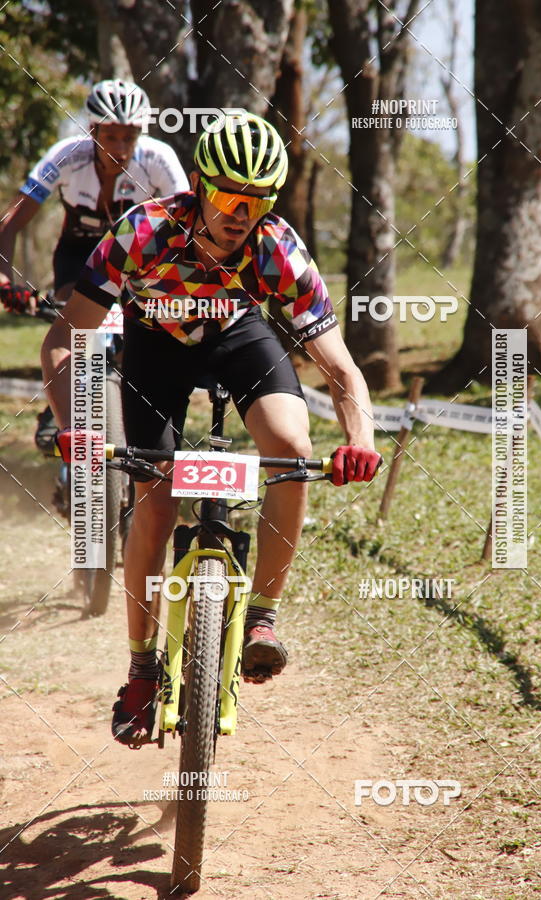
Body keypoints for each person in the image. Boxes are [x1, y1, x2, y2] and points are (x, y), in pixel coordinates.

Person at [41, 112, 382, 747]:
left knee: (290, 449)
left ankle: (262, 617)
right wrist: (73, 428)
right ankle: (142, 669)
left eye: (257, 201)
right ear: (200, 184)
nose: (240, 213)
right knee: (156, 497)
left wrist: (360, 439)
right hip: (156, 344)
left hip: (237, 337)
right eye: (228, 195)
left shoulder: (279, 248)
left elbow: (340, 367)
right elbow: (64, 340)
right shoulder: (142, 231)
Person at [0, 78, 190, 450]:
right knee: (74, 325)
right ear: (93, 130)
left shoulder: (158, 158)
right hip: (79, 257)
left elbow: (187, 229)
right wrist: (6, 283)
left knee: (135, 344)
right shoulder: (67, 155)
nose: (120, 149)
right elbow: (10, 223)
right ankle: (57, 411)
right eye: (111, 137)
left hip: (137, 260)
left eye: (129, 138)